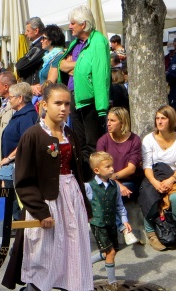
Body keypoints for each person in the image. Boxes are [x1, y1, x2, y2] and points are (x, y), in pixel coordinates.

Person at [2, 83, 95, 291]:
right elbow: (23, 179)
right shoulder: (33, 135)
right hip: (46, 203)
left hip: (71, 200)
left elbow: (77, 172)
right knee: (45, 259)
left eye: (67, 104)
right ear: (44, 104)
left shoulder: (71, 134)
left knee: (74, 258)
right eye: (58, 103)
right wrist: (40, 210)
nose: (64, 109)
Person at [58, 5, 111, 181]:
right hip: (75, 96)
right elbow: (62, 65)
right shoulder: (75, 44)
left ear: (84, 24)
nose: (70, 26)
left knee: (91, 143)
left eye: (73, 23)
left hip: (90, 99)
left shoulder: (98, 41)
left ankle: (90, 181)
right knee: (79, 143)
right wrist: (76, 66)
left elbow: (100, 71)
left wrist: (101, 105)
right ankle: (82, 180)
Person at [139, 105, 176, 251]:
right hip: (154, 175)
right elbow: (147, 166)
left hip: (174, 176)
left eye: (163, 118)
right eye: (157, 118)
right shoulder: (149, 139)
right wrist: (155, 183)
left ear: (171, 120)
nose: (159, 122)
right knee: (149, 196)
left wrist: (171, 180)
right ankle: (151, 233)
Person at [85, 152, 133, 291]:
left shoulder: (115, 186)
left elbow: (119, 206)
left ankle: (86, 263)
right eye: (107, 167)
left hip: (111, 223)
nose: (112, 169)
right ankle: (112, 284)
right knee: (110, 252)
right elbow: (82, 203)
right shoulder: (89, 187)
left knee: (111, 251)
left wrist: (124, 221)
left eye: (112, 166)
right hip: (98, 224)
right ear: (97, 170)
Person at [96, 107, 142, 245]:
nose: (108, 123)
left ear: (122, 123)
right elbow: (100, 170)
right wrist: (117, 184)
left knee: (108, 193)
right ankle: (123, 228)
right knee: (107, 191)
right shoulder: (103, 141)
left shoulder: (134, 140)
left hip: (129, 181)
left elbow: (131, 169)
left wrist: (115, 180)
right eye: (108, 120)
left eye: (112, 120)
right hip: (109, 181)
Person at [0, 82, 39, 220]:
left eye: (11, 97)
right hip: (12, 164)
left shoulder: (27, 116)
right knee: (11, 196)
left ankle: (19, 225)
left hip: (18, 165)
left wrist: (9, 158)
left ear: (20, 98)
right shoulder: (20, 114)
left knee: (16, 198)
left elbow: (26, 142)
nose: (9, 100)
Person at [30, 24, 65, 97]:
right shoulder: (48, 57)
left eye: (43, 38)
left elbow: (49, 83)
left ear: (52, 40)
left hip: (52, 97)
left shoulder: (58, 56)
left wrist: (31, 88)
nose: (41, 41)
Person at [0, 72, 17, 170]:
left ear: (6, 86)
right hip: (1, 158)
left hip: (10, 159)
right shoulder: (2, 105)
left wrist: (9, 157)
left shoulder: (15, 107)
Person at [20, 17, 46, 85]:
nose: (25, 33)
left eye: (28, 31)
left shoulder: (40, 46)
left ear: (36, 31)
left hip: (37, 88)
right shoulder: (36, 46)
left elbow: (20, 66)